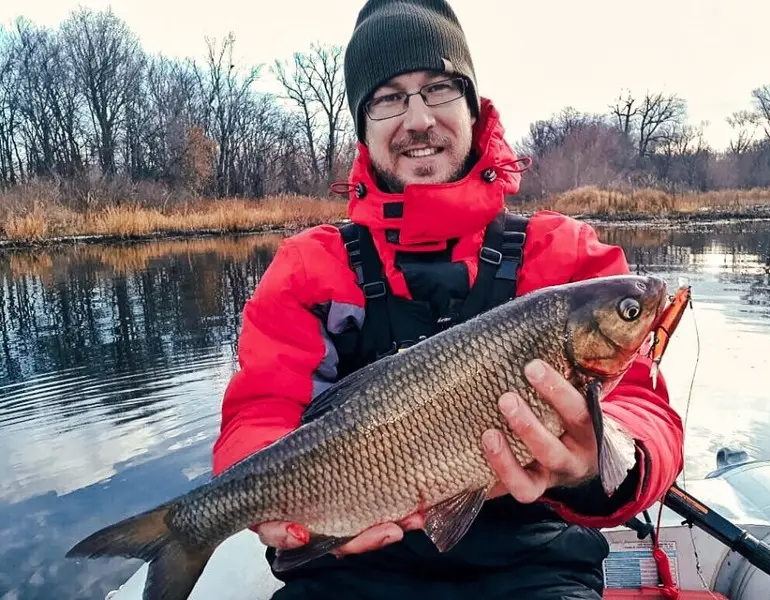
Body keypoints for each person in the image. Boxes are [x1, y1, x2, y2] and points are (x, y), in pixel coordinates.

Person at [211, 0, 684, 597]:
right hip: (348, 566)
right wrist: (263, 500)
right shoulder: (310, 267)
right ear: (363, 124)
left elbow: (646, 410)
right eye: (387, 97)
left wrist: (599, 463)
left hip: (532, 570)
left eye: (437, 89)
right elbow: (261, 412)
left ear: (472, 107)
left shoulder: (563, 255)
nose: (416, 119)